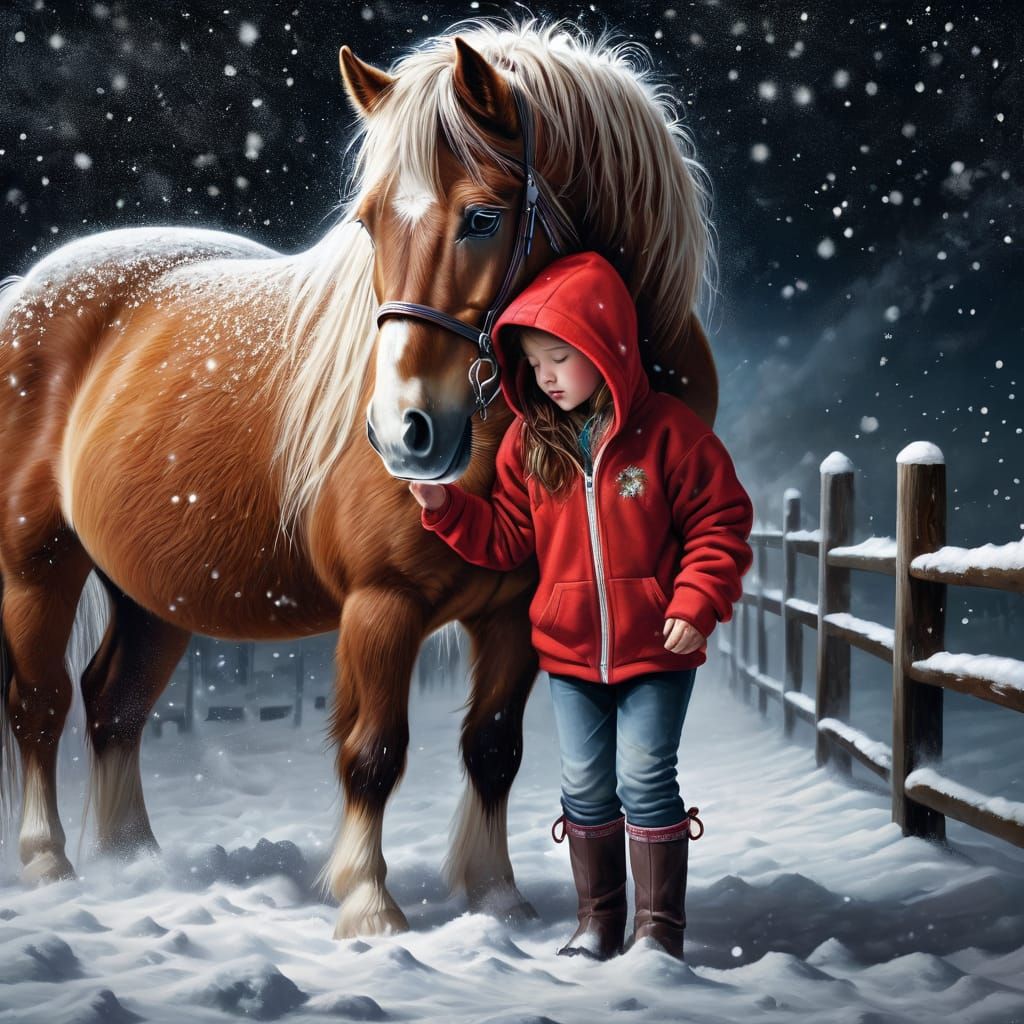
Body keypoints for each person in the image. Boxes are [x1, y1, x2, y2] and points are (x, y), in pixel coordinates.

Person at [408, 251, 754, 961]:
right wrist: (447, 510)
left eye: (561, 357)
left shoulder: (669, 434)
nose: (546, 377)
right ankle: (598, 921)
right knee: (586, 784)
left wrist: (696, 601)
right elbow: (506, 538)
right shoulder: (529, 446)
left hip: (659, 648)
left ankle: (658, 930)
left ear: (607, 345)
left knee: (645, 776)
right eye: (534, 364)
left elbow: (720, 522)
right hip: (569, 654)